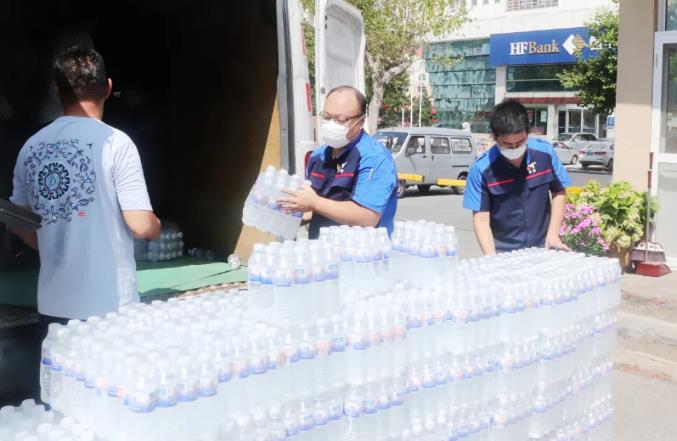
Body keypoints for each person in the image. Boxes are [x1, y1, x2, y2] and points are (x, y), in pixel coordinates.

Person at [10, 46, 160, 324]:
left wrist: (54, 243)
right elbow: (141, 225)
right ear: (108, 87)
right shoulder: (117, 143)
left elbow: (18, 222)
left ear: (57, 91)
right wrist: (156, 226)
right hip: (110, 306)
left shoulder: (30, 147)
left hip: (54, 306)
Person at [279, 85, 398, 239]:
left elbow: (367, 217)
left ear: (361, 121)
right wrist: (291, 210)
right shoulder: (318, 156)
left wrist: (315, 203)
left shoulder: (374, 158)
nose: (331, 124)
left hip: (362, 250)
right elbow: (314, 207)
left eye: (340, 119)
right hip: (321, 247)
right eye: (327, 117)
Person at [463, 99, 571, 255]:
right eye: (507, 144)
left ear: (527, 133)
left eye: (520, 142)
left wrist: (553, 234)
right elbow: (481, 220)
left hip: (544, 247)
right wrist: (491, 259)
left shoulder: (545, 153)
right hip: (505, 253)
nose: (514, 148)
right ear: (495, 137)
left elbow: (559, 191)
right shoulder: (481, 169)